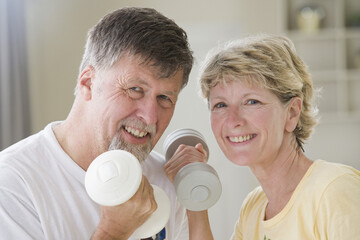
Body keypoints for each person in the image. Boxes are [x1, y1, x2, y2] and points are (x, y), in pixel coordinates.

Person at [0, 7, 213, 240]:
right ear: (88, 83)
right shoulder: (12, 183)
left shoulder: (166, 180)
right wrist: (113, 231)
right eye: (134, 90)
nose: (150, 117)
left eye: (164, 98)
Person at [198, 34, 360, 239]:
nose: (233, 121)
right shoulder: (253, 208)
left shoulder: (334, 190)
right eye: (220, 105)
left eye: (251, 102)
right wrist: (194, 194)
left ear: (292, 112)